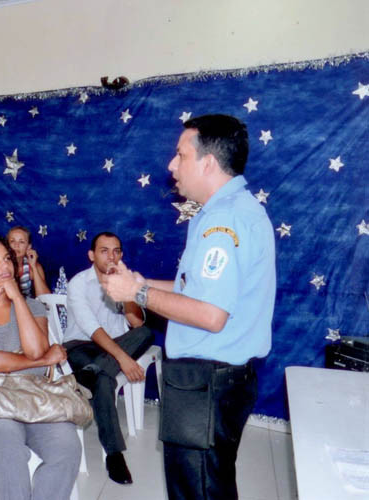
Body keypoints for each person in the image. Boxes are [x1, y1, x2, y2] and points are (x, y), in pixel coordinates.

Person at [101, 114, 276, 500]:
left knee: (197, 489)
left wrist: (139, 294)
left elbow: (210, 315)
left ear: (207, 162)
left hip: (205, 382)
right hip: (214, 379)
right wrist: (140, 285)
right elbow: (193, 290)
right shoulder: (230, 211)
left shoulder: (223, 222)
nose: (171, 165)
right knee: (207, 484)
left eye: (180, 155)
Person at [0, 233, 81, 500]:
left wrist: (18, 300)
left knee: (67, 447)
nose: (5, 266)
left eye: (7, 259)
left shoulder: (32, 306)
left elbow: (34, 348)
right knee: (9, 448)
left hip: (34, 394)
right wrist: (43, 361)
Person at [61, 231, 152, 485]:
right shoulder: (78, 283)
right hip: (80, 346)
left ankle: (94, 370)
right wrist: (122, 358)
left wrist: (127, 295)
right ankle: (114, 455)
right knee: (104, 381)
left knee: (146, 333)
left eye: (116, 251)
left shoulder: (126, 280)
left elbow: (136, 324)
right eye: (104, 250)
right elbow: (92, 328)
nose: (111, 256)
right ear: (92, 255)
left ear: (121, 254)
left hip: (107, 352)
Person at [7, 226, 50, 297]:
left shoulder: (33, 266)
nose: (16, 245)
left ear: (28, 247)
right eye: (12, 241)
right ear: (7, 245)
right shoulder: (2, 266)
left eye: (21, 242)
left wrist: (34, 267)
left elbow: (45, 298)